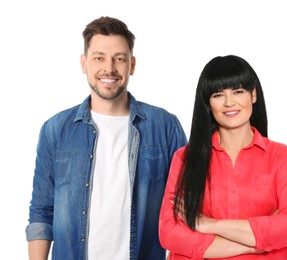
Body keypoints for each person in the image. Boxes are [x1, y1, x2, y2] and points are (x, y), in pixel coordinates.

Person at [25, 16, 187, 260]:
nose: (109, 69)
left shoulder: (165, 126)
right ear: (84, 63)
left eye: (119, 59)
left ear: (132, 64)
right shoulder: (55, 130)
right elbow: (42, 212)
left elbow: (186, 206)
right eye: (99, 58)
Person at [158, 55, 287, 259]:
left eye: (238, 91)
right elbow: (169, 232)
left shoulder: (280, 156)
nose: (229, 102)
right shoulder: (185, 158)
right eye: (218, 94)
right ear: (208, 102)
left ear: (253, 94)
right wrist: (255, 245)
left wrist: (210, 225)